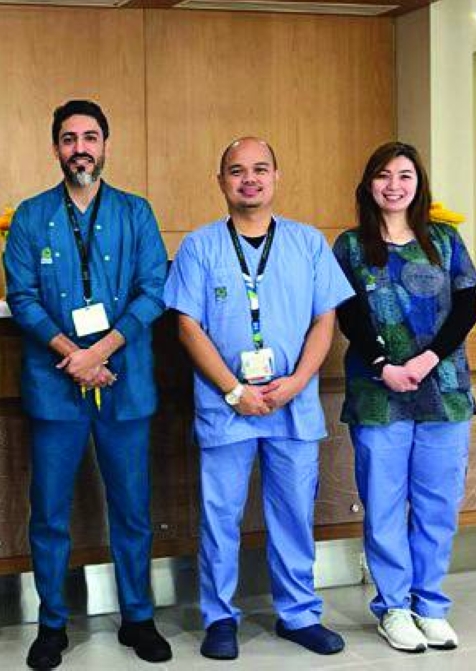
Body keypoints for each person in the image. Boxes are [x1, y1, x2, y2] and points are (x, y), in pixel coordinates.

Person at [163, 137, 352, 660]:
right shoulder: (200, 247)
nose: (250, 179)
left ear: (276, 177)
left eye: (260, 169)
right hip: (227, 404)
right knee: (219, 514)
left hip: (293, 401)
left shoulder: (308, 243)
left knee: (293, 512)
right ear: (220, 181)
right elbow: (187, 325)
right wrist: (233, 389)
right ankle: (220, 617)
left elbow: (325, 321)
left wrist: (297, 382)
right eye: (237, 170)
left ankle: (298, 614)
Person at [3, 99, 170, 670]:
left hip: (124, 380)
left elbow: (154, 292)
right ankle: (52, 623)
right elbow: (21, 298)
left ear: (105, 144)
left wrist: (100, 350)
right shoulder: (29, 216)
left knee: (132, 508)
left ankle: (139, 617)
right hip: (56, 386)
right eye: (70, 138)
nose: (81, 147)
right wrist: (73, 355)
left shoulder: (136, 213)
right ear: (55, 148)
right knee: (49, 510)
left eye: (91, 136)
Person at [333, 142, 476, 653]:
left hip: (444, 391)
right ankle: (394, 607)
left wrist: (427, 360)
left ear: (419, 184)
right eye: (383, 175)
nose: (394, 185)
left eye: (404, 176)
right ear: (368, 184)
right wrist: (384, 365)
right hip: (380, 393)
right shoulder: (351, 246)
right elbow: (348, 313)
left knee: (438, 503)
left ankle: (430, 605)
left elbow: (466, 308)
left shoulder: (444, 239)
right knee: (384, 502)